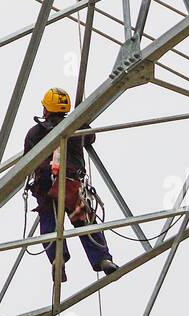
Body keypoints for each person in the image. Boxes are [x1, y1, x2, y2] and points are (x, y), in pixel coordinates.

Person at [24, 87, 118, 283]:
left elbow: (27, 162)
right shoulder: (77, 124)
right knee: (83, 219)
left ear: (46, 110)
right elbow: (91, 137)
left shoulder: (34, 132)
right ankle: (103, 260)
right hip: (69, 183)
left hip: (45, 185)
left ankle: (57, 259)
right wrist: (80, 118)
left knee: (49, 220)